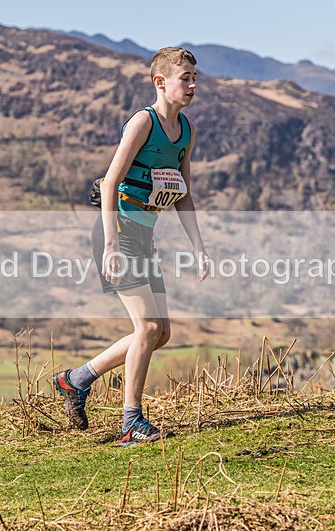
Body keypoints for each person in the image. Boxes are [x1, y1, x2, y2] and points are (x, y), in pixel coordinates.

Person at [54, 47, 209, 445]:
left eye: (195, 77)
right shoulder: (143, 122)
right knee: (148, 327)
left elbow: (184, 193)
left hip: (144, 235)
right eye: (184, 78)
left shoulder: (187, 131)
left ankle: (76, 380)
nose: (192, 85)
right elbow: (109, 183)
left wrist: (199, 246)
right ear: (160, 82)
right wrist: (111, 246)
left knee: (161, 333)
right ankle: (130, 422)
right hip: (119, 232)